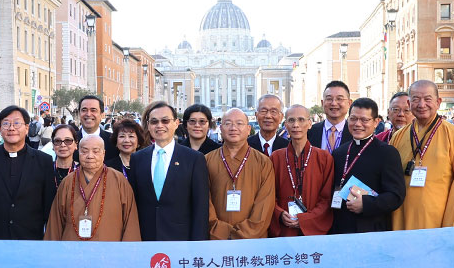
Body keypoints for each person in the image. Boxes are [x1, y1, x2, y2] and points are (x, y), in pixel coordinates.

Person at [389, 80, 454, 231]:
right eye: (416, 99)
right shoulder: (398, 136)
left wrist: (452, 229)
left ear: (438, 102)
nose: (422, 104)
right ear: (409, 103)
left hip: (438, 223)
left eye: (428, 99)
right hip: (400, 220)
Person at [0, 106, 57, 240]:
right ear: (0, 129)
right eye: (6, 124)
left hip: (30, 240)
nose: (11, 128)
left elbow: (48, 205)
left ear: (27, 128)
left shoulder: (43, 161)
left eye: (17, 123)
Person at [130, 101, 209, 241]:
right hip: (145, 238)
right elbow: (133, 203)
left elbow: (200, 208)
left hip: (181, 240)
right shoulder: (137, 158)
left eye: (165, 120)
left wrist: (198, 244)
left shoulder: (194, 159)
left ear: (176, 123)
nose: (159, 125)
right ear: (148, 125)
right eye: (154, 121)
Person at [329, 99, 405, 234]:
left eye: (364, 120)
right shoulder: (339, 152)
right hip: (340, 227)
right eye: (353, 119)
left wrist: (366, 204)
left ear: (376, 122)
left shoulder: (387, 153)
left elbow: (396, 196)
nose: (358, 124)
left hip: (371, 228)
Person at [46, 134, 139, 241]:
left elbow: (130, 222)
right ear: (78, 153)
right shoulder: (68, 182)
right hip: (71, 251)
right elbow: (55, 223)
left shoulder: (119, 180)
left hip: (110, 252)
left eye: (96, 151)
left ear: (103, 154)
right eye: (84, 151)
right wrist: (52, 252)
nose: (90, 156)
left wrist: (129, 252)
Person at [206, 108, 275, 240]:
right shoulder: (207, 160)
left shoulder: (263, 162)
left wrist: (244, 233)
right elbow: (204, 202)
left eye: (239, 123)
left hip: (252, 241)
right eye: (228, 123)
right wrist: (219, 231)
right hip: (216, 239)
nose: (233, 128)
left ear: (249, 129)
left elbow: (265, 205)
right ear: (220, 128)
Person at [270, 104, 335, 237]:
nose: (296, 125)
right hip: (284, 228)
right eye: (291, 120)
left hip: (313, 229)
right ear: (286, 125)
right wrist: (280, 214)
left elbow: (327, 198)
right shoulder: (276, 158)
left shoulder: (323, 158)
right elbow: (268, 196)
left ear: (310, 124)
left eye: (301, 120)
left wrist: (306, 219)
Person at [308, 81, 353, 152]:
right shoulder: (310, 132)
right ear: (322, 103)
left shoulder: (354, 133)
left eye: (339, 99)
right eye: (329, 99)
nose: (334, 103)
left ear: (349, 103)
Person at [77, 95, 119, 162]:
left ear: (102, 115)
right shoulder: (70, 142)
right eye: (84, 110)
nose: (88, 114)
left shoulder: (114, 141)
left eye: (93, 110)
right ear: (79, 113)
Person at [49, 123, 80, 190]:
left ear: (75, 145)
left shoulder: (82, 171)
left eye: (68, 140)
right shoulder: (45, 170)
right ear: (53, 145)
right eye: (57, 141)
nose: (63, 145)